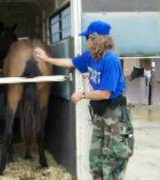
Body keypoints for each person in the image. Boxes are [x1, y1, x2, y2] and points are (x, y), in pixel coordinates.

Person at [33, 20, 134, 180]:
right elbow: (70, 62)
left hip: (116, 115)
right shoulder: (90, 57)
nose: (86, 40)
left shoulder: (111, 60)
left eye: (88, 37)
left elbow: (106, 93)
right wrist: (46, 59)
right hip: (100, 114)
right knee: (95, 159)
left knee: (114, 160)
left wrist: (82, 94)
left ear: (96, 39)